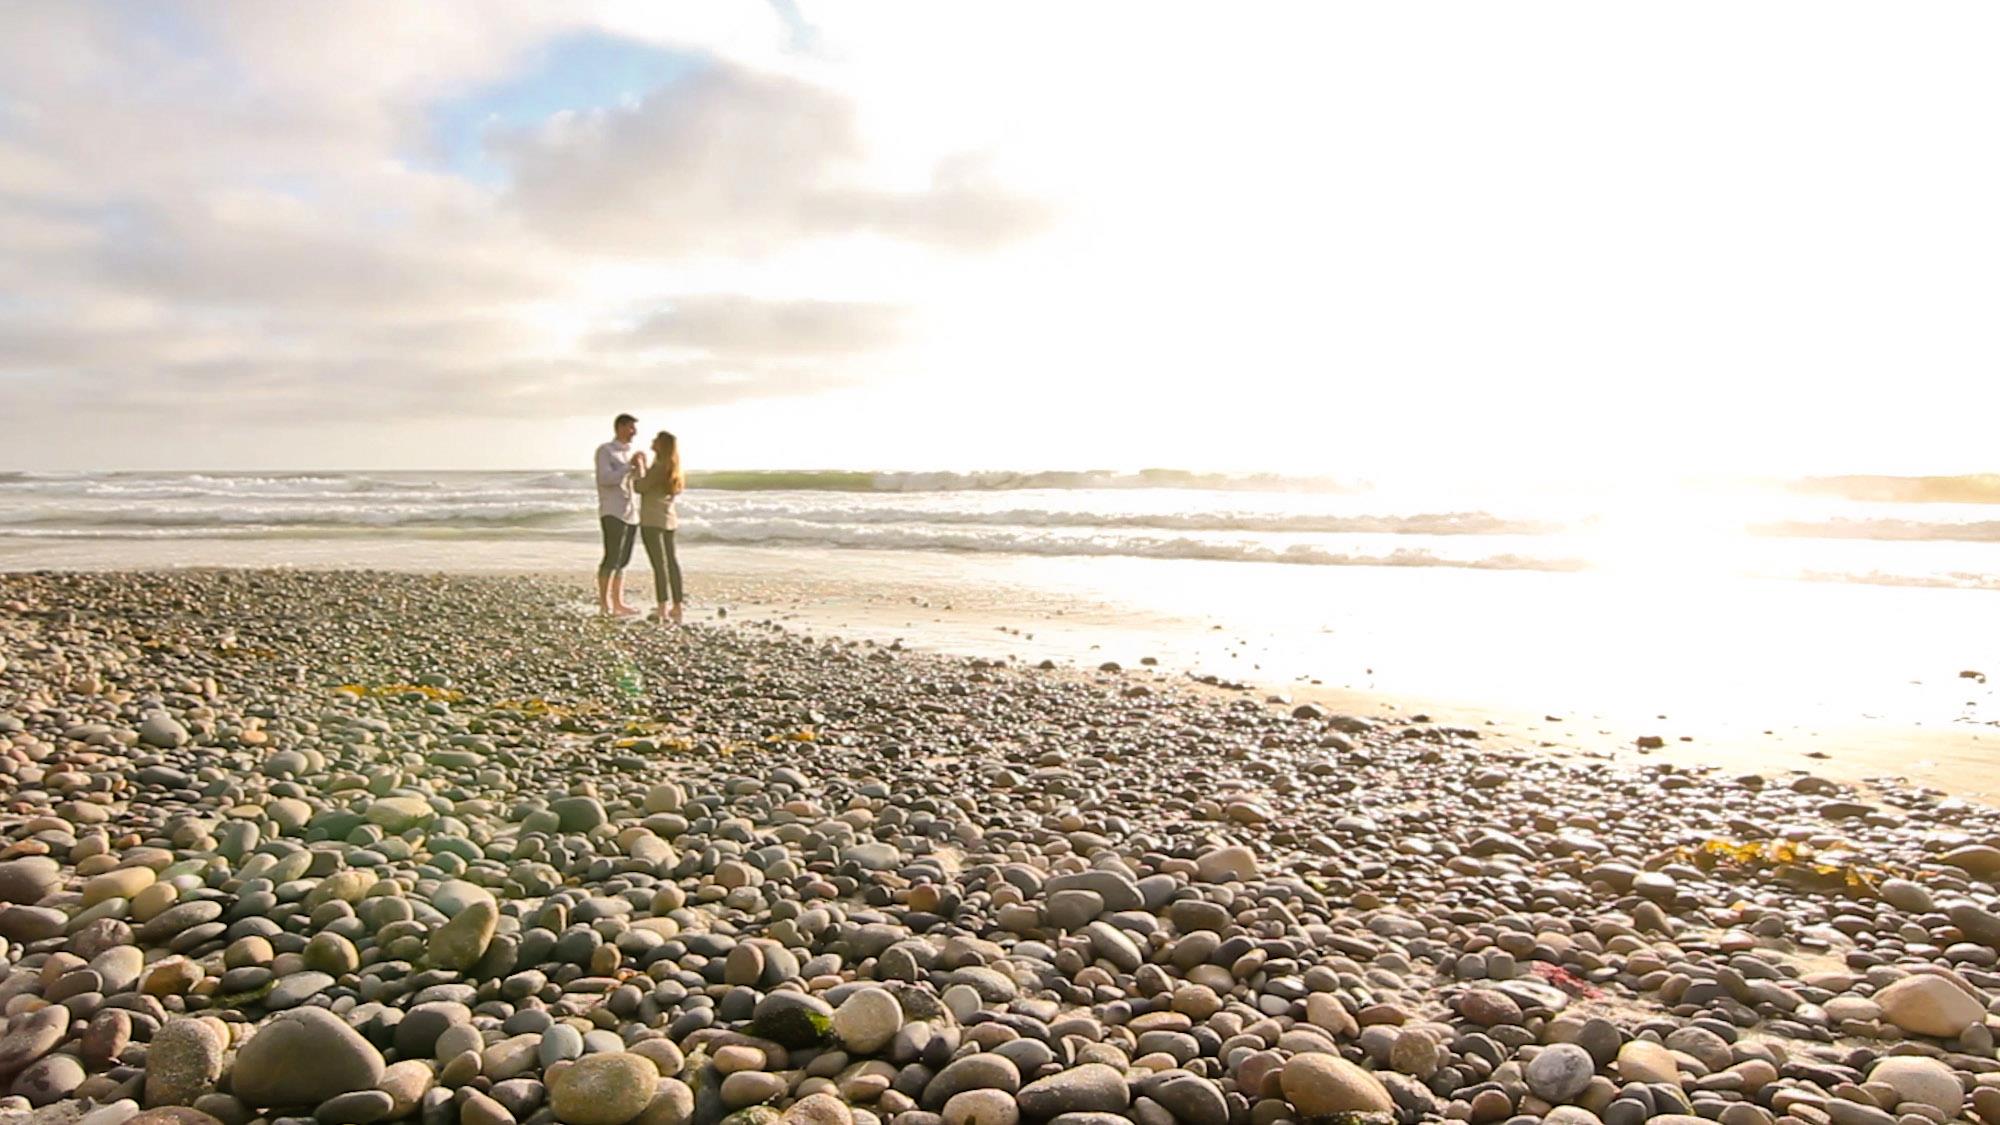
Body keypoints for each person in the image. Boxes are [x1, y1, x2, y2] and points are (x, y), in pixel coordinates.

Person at [593, 413, 644, 616]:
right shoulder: (606, 451)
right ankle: (605, 604)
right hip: (612, 510)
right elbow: (605, 478)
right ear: (620, 428)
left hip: (631, 512)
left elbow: (639, 481)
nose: (634, 432)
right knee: (612, 557)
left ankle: (618, 602)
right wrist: (627, 466)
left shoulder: (628, 453)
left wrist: (640, 466)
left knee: (623, 559)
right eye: (631, 428)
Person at [635, 430, 686, 624]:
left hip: (652, 520)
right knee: (671, 562)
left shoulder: (658, 467)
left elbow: (640, 487)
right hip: (669, 519)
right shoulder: (674, 467)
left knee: (659, 564)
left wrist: (640, 466)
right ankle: (677, 605)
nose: (652, 441)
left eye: (655, 440)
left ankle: (662, 607)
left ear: (661, 446)